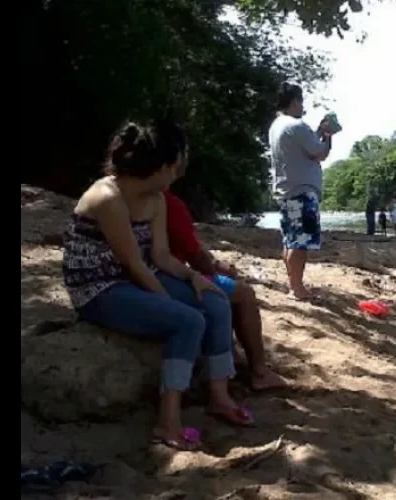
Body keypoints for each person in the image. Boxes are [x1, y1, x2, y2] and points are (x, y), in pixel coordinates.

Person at [62, 118, 253, 451]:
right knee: (188, 320)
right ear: (163, 165)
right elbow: (133, 263)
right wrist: (170, 304)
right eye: (177, 164)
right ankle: (168, 422)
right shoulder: (108, 197)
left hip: (138, 275)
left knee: (216, 301)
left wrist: (194, 278)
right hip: (99, 287)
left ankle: (219, 396)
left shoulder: (156, 199)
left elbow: (161, 256)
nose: (179, 172)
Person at [164, 181, 287, 391]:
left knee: (226, 287)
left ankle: (234, 356)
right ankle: (259, 371)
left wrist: (213, 265)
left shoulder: (140, 199)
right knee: (244, 293)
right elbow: (195, 255)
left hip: (161, 272)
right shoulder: (168, 203)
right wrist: (214, 268)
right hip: (171, 277)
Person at [269, 82, 335, 302]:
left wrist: (316, 133)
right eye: (301, 101)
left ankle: (294, 285)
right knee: (300, 242)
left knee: (290, 240)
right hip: (301, 191)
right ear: (294, 101)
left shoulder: (277, 125)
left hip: (287, 190)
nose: (302, 107)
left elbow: (302, 147)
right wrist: (327, 134)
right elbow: (320, 152)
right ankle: (297, 289)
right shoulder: (297, 125)